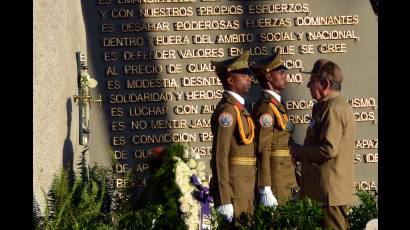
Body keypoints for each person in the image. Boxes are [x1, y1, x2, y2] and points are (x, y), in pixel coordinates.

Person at [291, 59, 356, 230]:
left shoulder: (333, 109)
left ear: (325, 83)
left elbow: (329, 149)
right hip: (323, 193)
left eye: (312, 81)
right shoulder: (326, 106)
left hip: (329, 195)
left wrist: (300, 151)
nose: (307, 85)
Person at [209, 50, 256, 224]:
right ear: (230, 80)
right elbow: (220, 156)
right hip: (234, 191)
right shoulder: (228, 112)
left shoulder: (239, 109)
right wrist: (224, 199)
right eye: (244, 75)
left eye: (249, 75)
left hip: (245, 188)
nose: (249, 79)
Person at [250, 52, 298, 206]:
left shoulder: (276, 104)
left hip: (285, 175)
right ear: (269, 77)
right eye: (280, 72)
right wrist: (265, 188)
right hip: (275, 178)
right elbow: (263, 149)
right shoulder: (266, 109)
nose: (285, 76)